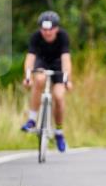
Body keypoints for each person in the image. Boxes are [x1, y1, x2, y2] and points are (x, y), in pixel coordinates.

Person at [21, 11, 72, 152]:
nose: (47, 33)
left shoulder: (63, 37)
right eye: (44, 30)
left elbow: (66, 59)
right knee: (39, 79)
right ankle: (32, 119)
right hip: (42, 63)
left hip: (58, 66)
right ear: (40, 29)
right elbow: (30, 58)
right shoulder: (36, 37)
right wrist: (27, 77)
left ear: (56, 28)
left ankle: (59, 133)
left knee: (59, 96)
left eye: (50, 30)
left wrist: (67, 79)